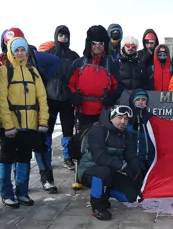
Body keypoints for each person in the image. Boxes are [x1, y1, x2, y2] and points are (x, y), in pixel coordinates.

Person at [0, 36, 49, 207]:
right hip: (11, 124)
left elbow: (42, 97)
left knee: (24, 158)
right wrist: (7, 124)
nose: (20, 53)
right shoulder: (4, 71)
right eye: (16, 50)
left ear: (27, 52)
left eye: (22, 50)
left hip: (30, 124)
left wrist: (43, 121)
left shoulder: (32, 71)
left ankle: (22, 192)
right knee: (7, 159)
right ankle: (6, 193)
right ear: (11, 51)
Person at [78, 104, 142, 220]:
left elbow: (131, 155)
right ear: (111, 118)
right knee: (103, 172)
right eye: (120, 117)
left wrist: (136, 170)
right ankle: (97, 205)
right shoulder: (98, 130)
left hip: (112, 170)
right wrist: (123, 166)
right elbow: (100, 157)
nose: (123, 121)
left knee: (132, 196)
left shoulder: (125, 134)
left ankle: (105, 194)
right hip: (89, 169)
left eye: (126, 119)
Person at [68, 25, 122, 134]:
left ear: (105, 45)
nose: (97, 46)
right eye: (94, 43)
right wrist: (74, 97)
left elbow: (118, 86)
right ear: (89, 44)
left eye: (100, 43)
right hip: (83, 112)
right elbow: (69, 84)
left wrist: (111, 97)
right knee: (83, 143)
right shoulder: (79, 64)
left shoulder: (110, 64)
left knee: (102, 141)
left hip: (103, 111)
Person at [26, 44, 61, 194]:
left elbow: (56, 61)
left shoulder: (36, 57)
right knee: (21, 147)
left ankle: (47, 179)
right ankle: (21, 183)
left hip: (41, 106)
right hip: (19, 111)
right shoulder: (4, 62)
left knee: (43, 143)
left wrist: (44, 76)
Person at [45, 25, 80, 170]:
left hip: (66, 98)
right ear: (56, 36)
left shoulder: (73, 56)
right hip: (50, 96)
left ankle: (67, 156)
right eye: (61, 35)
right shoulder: (49, 53)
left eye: (66, 35)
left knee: (67, 128)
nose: (63, 38)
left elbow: (78, 76)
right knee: (47, 129)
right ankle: (46, 156)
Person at [127, 89, 155, 177]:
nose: (140, 102)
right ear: (133, 101)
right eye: (138, 100)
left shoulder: (151, 117)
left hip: (151, 157)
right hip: (136, 157)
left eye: (143, 100)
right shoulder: (128, 117)